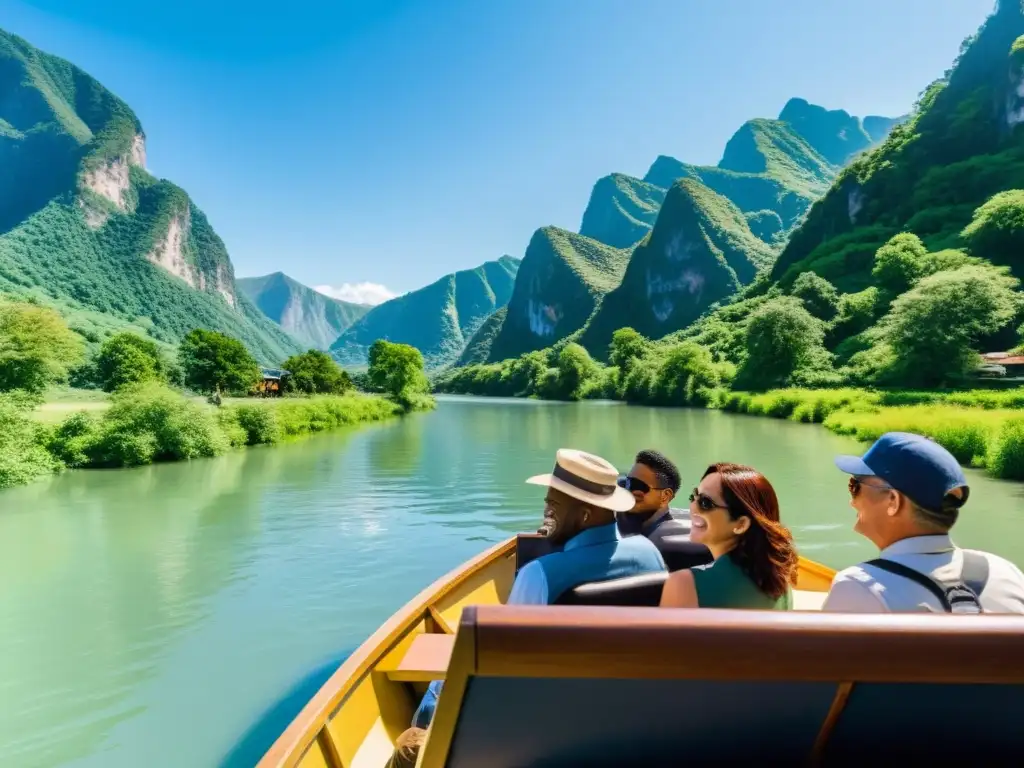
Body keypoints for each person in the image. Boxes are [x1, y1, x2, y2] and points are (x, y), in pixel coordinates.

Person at [409, 448, 666, 731]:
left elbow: (504, 665)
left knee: (435, 691)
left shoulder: (540, 574)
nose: (545, 511)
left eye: (553, 504)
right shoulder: (650, 554)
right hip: (627, 709)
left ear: (583, 515)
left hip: (550, 719)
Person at [822, 431, 1024, 614]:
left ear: (893, 501)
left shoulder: (858, 588)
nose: (852, 501)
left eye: (855, 486)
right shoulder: (1007, 573)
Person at [660, 462, 797, 609]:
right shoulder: (781, 581)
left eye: (705, 503)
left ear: (741, 524)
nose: (693, 507)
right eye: (694, 496)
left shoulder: (683, 584)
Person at [616, 449, 692, 544]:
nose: (628, 490)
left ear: (665, 496)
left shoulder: (663, 541)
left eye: (638, 485)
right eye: (627, 482)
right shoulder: (625, 522)